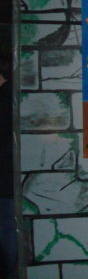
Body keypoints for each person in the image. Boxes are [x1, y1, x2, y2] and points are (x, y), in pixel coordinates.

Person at [0, 52, 17, 279]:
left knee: (6, 228)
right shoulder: (11, 96)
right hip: (7, 176)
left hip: (5, 176)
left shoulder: (6, 99)